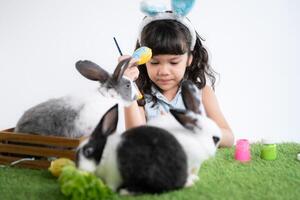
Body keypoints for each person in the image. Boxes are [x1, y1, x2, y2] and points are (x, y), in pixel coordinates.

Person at [120, 11, 234, 147]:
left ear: (189, 59)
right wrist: (127, 84)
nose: (164, 71)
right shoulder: (140, 95)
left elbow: (228, 138)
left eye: (173, 62)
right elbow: (135, 139)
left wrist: (201, 131)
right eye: (154, 63)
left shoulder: (202, 92)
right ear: (144, 61)